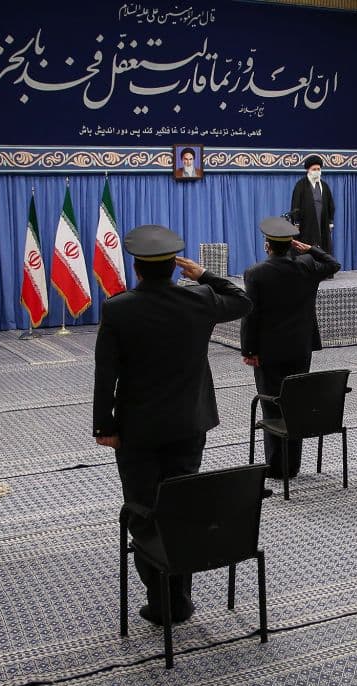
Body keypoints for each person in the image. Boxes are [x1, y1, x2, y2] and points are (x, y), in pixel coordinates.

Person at [93, 225, 252, 625]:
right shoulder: (200, 298)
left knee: (144, 511)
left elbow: (105, 374)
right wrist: (205, 275)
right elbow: (243, 301)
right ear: (173, 267)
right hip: (188, 424)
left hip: (137, 431)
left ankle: (161, 601)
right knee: (182, 508)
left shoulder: (118, 308)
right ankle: (179, 598)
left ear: (137, 268)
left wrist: (103, 427)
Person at [241, 216, 341, 479]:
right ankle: (293, 466)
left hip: (268, 352)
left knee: (272, 407)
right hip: (300, 348)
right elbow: (334, 264)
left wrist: (248, 350)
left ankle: (277, 467)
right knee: (295, 405)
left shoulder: (255, 273)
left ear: (267, 246)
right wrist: (310, 249)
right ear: (292, 245)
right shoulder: (307, 267)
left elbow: (251, 315)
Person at [290, 154, 335, 253]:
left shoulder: (324, 186)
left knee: (323, 248)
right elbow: (295, 205)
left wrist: (330, 221)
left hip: (322, 223)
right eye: (314, 169)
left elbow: (330, 204)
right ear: (308, 170)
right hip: (306, 225)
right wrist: (296, 222)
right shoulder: (300, 185)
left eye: (318, 169)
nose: (317, 171)